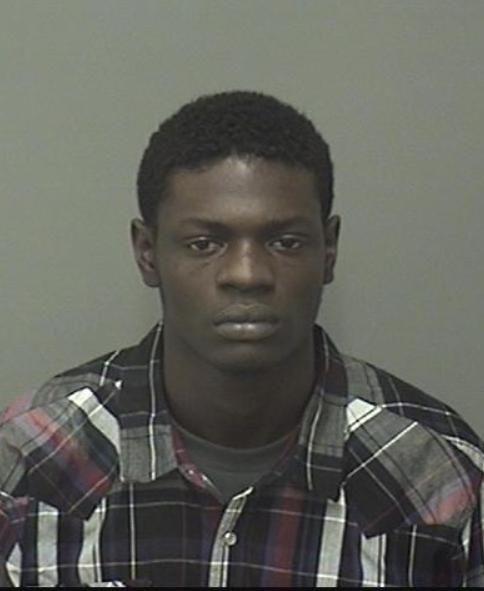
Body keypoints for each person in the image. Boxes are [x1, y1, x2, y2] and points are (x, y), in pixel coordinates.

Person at [0, 91, 482, 588]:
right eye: (204, 244)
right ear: (147, 252)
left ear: (329, 250)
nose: (246, 274)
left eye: (285, 242)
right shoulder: (26, 459)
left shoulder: (442, 476)